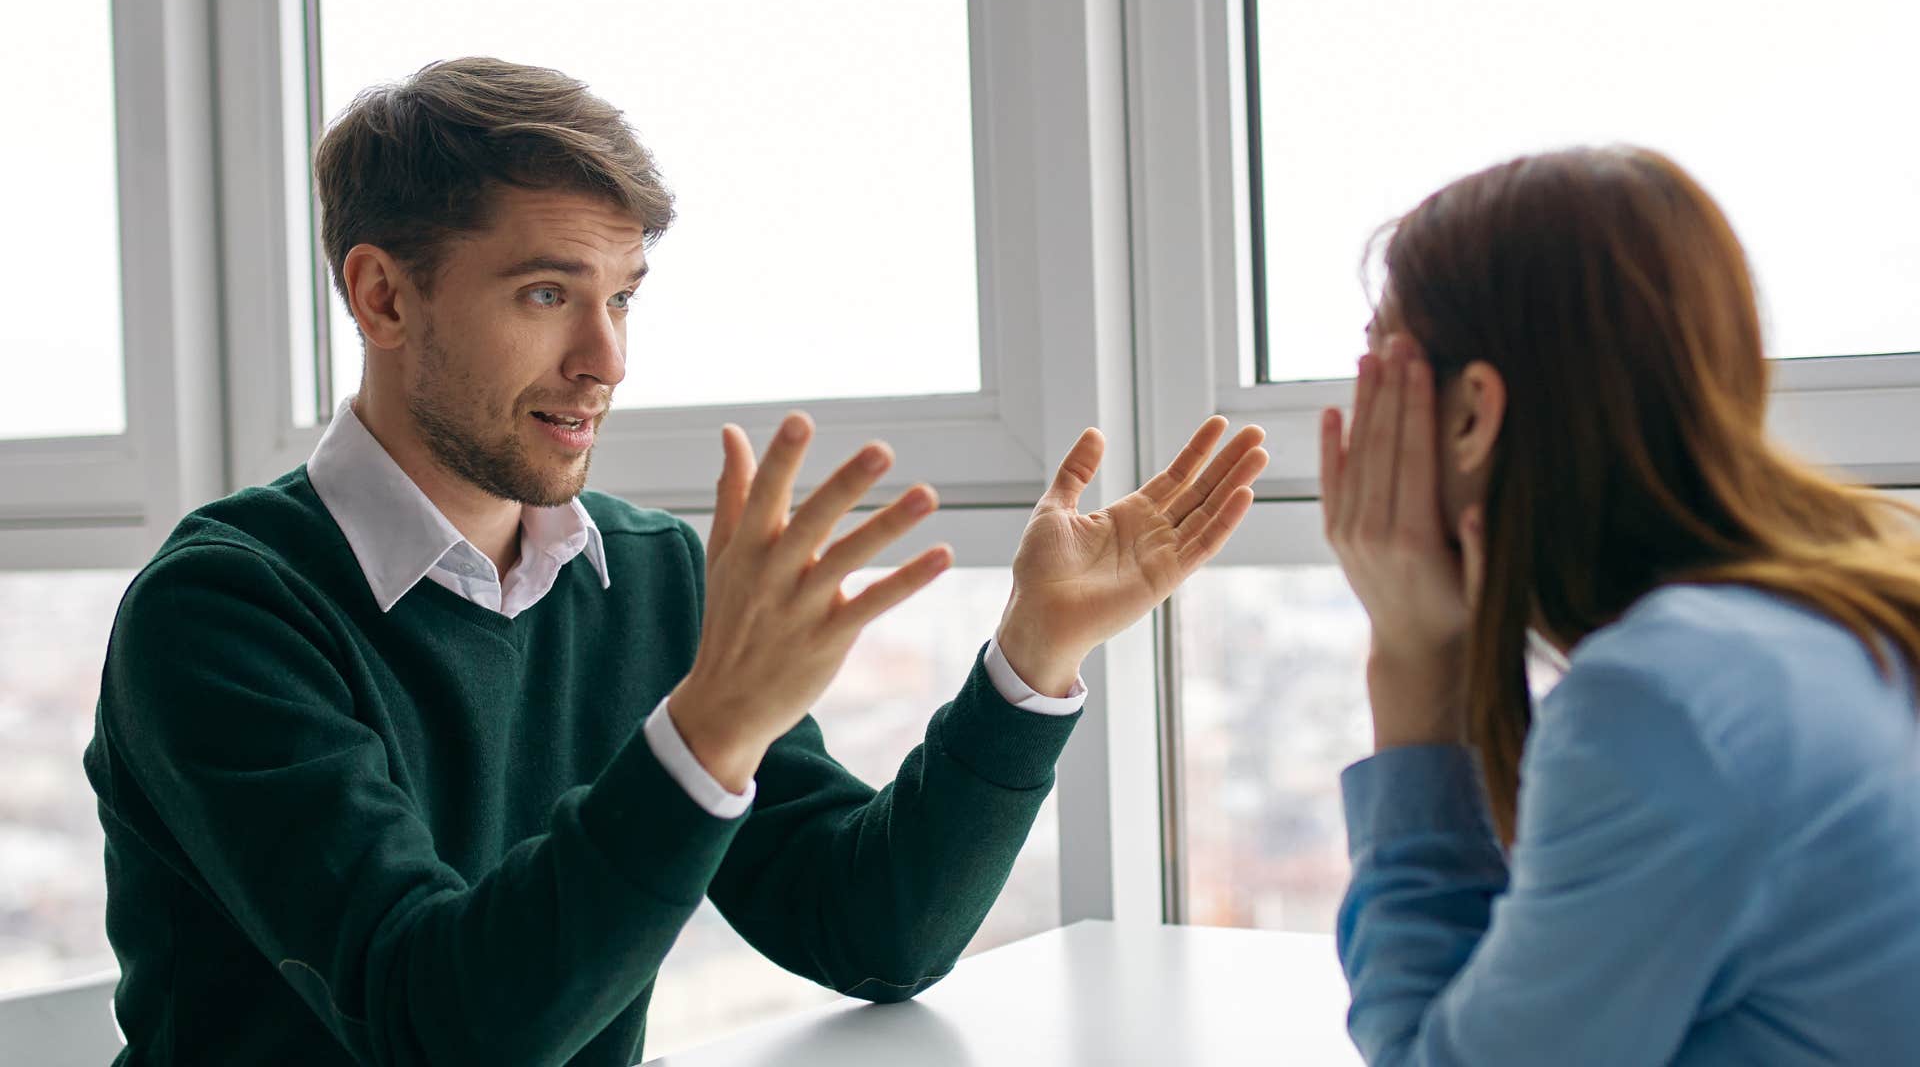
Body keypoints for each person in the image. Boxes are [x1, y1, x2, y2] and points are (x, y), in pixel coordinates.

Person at [82, 57, 1269, 1065]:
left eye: (623, 298)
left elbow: (872, 930)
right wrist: (705, 730)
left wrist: (1033, 656)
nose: (605, 358)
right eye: (548, 292)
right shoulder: (223, 610)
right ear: (383, 297)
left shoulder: (645, 579)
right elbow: (437, 1026)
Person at [1321, 145, 1920, 1064]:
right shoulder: (1858, 600)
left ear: (1471, 413)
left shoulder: (1661, 702)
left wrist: (1414, 673)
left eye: (1376, 361)